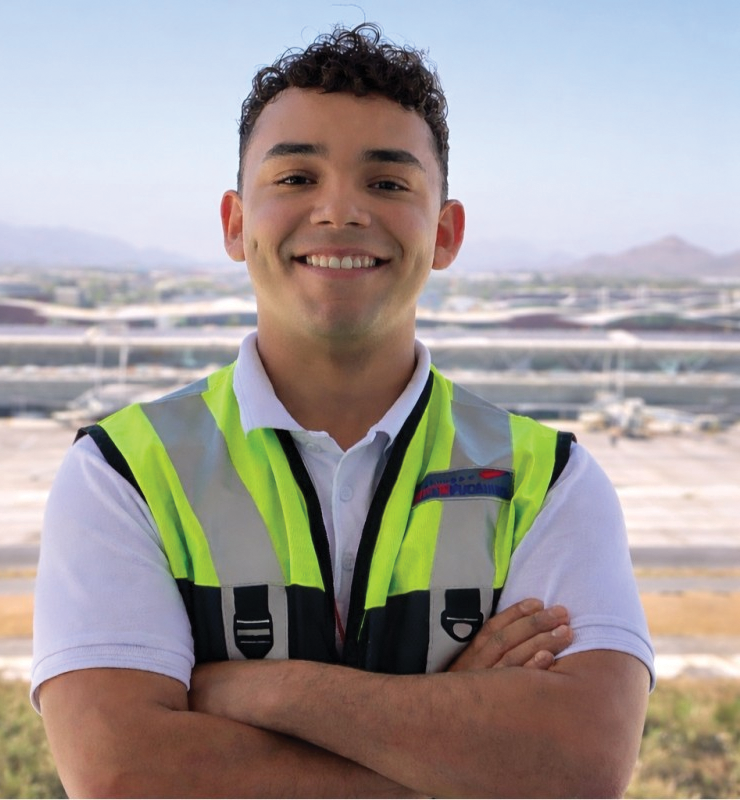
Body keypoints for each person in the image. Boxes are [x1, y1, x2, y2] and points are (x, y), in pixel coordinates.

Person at [32, 24, 654, 798]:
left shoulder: (549, 479)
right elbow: (128, 774)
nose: (339, 212)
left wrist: (257, 691)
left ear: (446, 232)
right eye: (295, 177)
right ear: (234, 222)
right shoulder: (122, 472)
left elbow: (577, 768)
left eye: (388, 183)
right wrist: (460, 741)